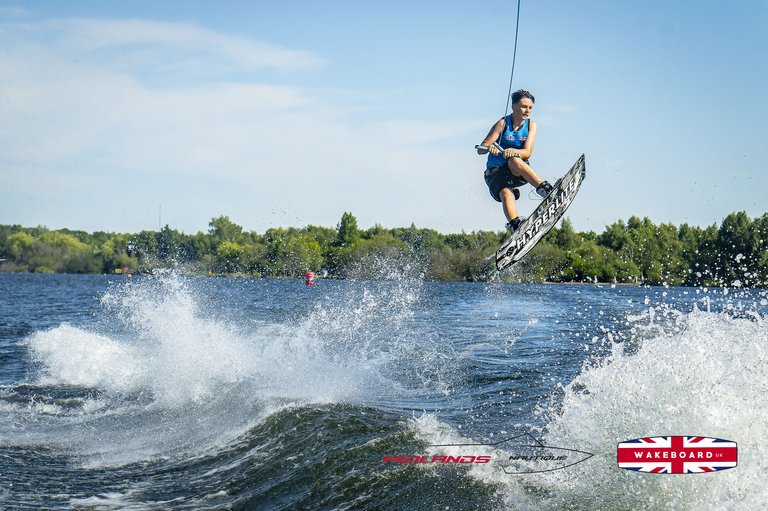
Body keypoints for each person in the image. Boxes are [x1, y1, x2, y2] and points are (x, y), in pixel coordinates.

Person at [477, 89, 553, 233]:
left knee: (514, 160)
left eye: (530, 108)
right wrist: (489, 148)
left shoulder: (531, 125)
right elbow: (481, 148)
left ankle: (545, 189)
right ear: (514, 106)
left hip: (516, 170)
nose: (527, 111)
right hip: (496, 173)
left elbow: (527, 153)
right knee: (506, 193)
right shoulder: (502, 123)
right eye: (524, 107)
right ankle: (516, 225)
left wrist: (514, 152)